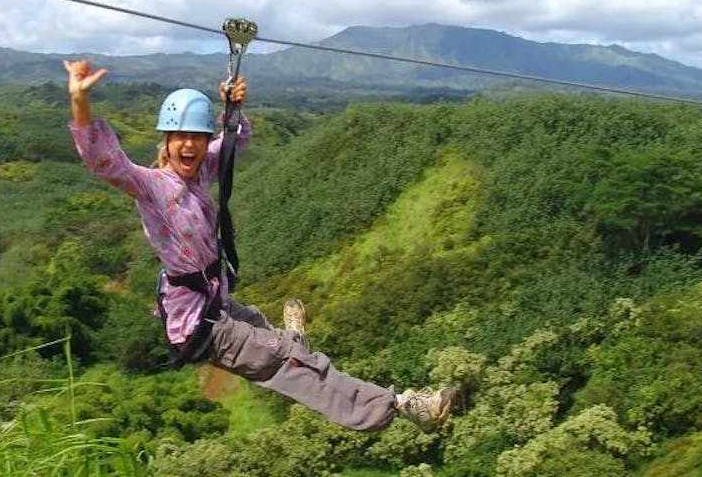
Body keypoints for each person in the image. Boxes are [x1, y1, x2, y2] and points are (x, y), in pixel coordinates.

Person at [65, 59, 458, 433]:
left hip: (213, 303)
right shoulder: (151, 187)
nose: (190, 146)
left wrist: (232, 108)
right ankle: (400, 407)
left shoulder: (198, 175)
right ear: (165, 141)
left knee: (255, 320)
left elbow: (235, 144)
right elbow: (105, 162)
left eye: (197, 138)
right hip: (200, 324)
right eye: (180, 137)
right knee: (295, 365)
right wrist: (80, 101)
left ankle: (290, 342)